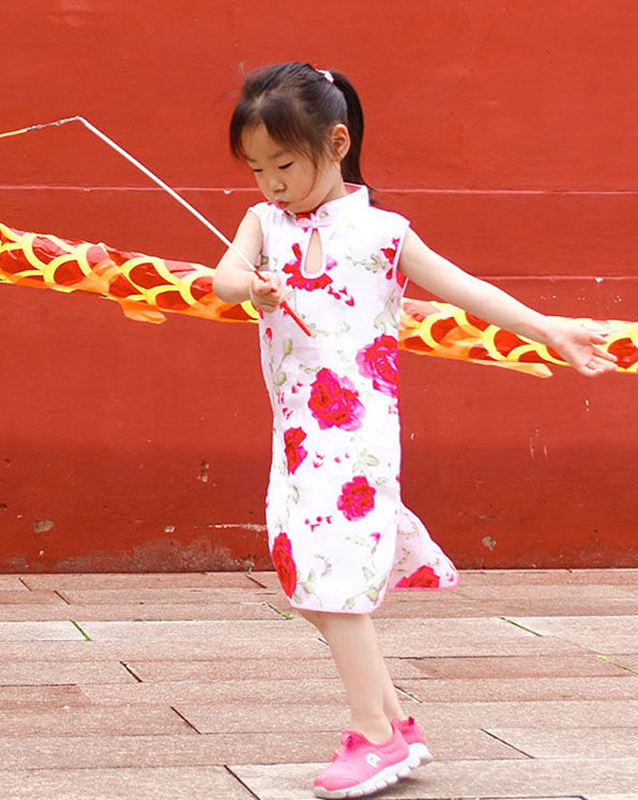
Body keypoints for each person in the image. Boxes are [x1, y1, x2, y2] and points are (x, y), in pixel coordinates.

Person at [213, 62, 616, 799]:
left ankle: (375, 738)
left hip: (357, 432)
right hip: (296, 434)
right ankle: (394, 725)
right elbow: (223, 279)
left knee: (327, 578)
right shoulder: (263, 224)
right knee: (303, 579)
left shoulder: (382, 232)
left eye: (284, 164)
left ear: (337, 144)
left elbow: (466, 289)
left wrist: (548, 327)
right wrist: (254, 284)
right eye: (256, 168)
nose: (270, 183)